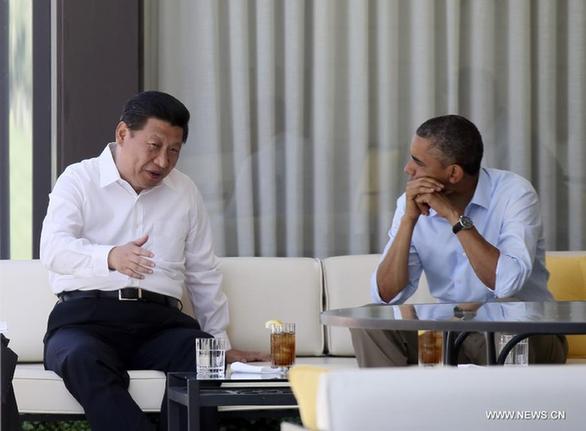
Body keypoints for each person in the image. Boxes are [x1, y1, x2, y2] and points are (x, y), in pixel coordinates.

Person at [40, 91, 266, 431]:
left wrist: (219, 346)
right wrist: (110, 257)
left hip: (159, 323)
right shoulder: (78, 179)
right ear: (122, 134)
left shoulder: (185, 191)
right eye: (154, 146)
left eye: (173, 150)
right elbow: (54, 249)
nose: (163, 161)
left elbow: (203, 274)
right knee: (80, 357)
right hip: (84, 321)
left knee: (202, 356)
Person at [351, 114, 567, 367]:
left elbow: (507, 284)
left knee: (496, 325)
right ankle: (392, 404)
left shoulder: (514, 194)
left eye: (418, 162)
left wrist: (454, 217)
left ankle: (494, 402)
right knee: (371, 321)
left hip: (525, 334)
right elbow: (385, 298)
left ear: (453, 173)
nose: (408, 169)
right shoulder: (410, 204)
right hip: (453, 333)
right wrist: (408, 221)